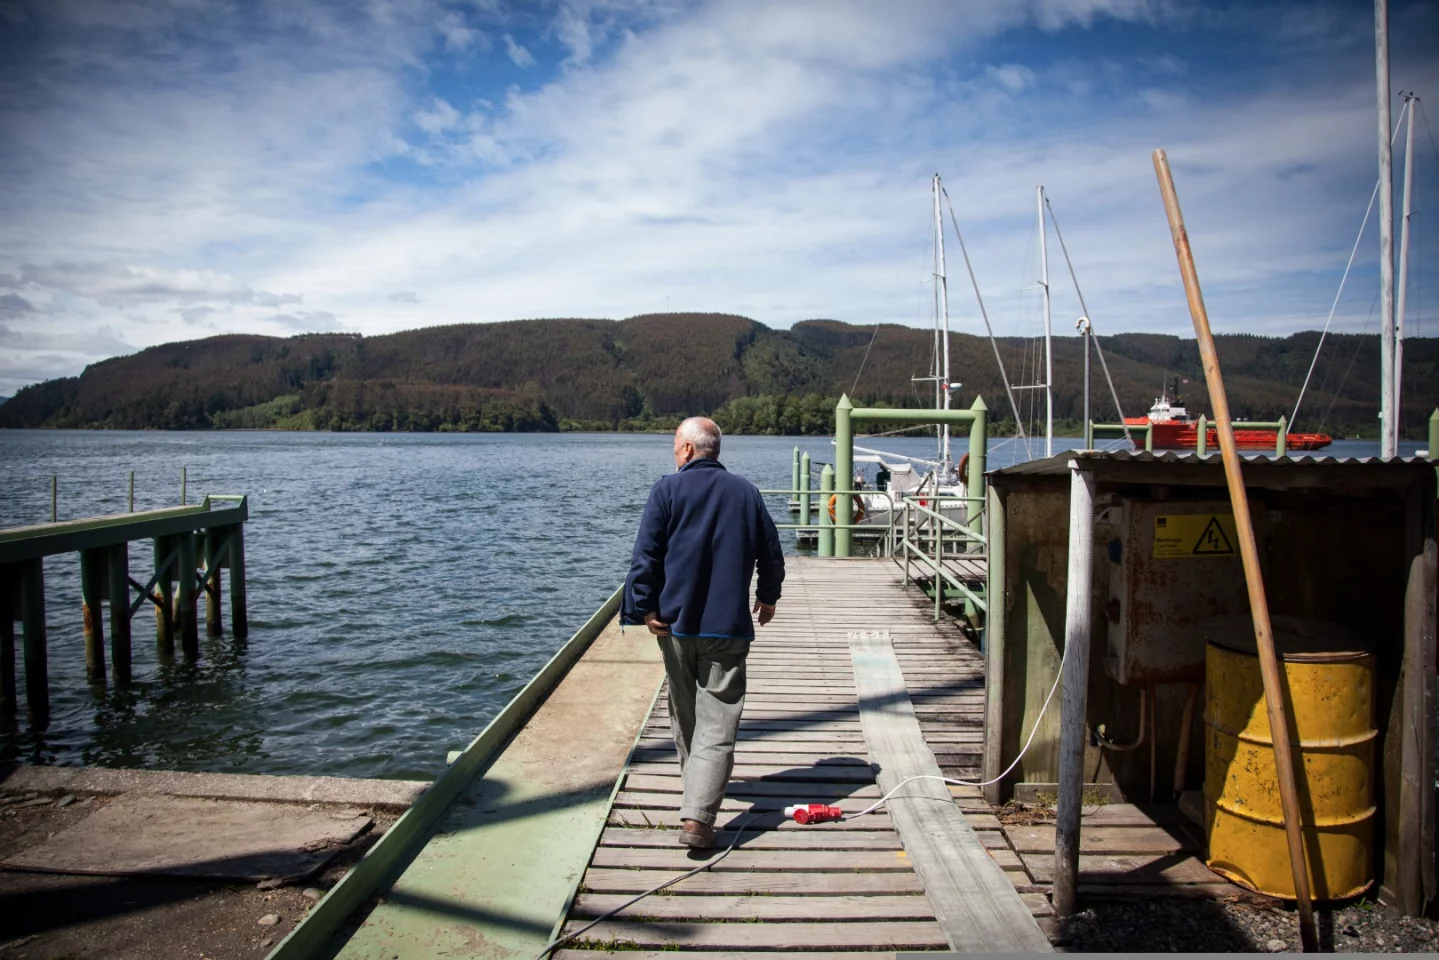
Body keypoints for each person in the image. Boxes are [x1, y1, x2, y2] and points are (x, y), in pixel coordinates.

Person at [622, 416, 785, 849]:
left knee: (687, 715)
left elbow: (646, 557)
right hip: (728, 626)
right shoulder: (746, 493)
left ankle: (696, 807)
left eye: (676, 446)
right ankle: (699, 811)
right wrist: (767, 598)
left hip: (674, 624)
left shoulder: (666, 490)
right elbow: (772, 553)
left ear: (690, 450)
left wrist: (645, 608)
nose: (674, 454)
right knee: (718, 719)